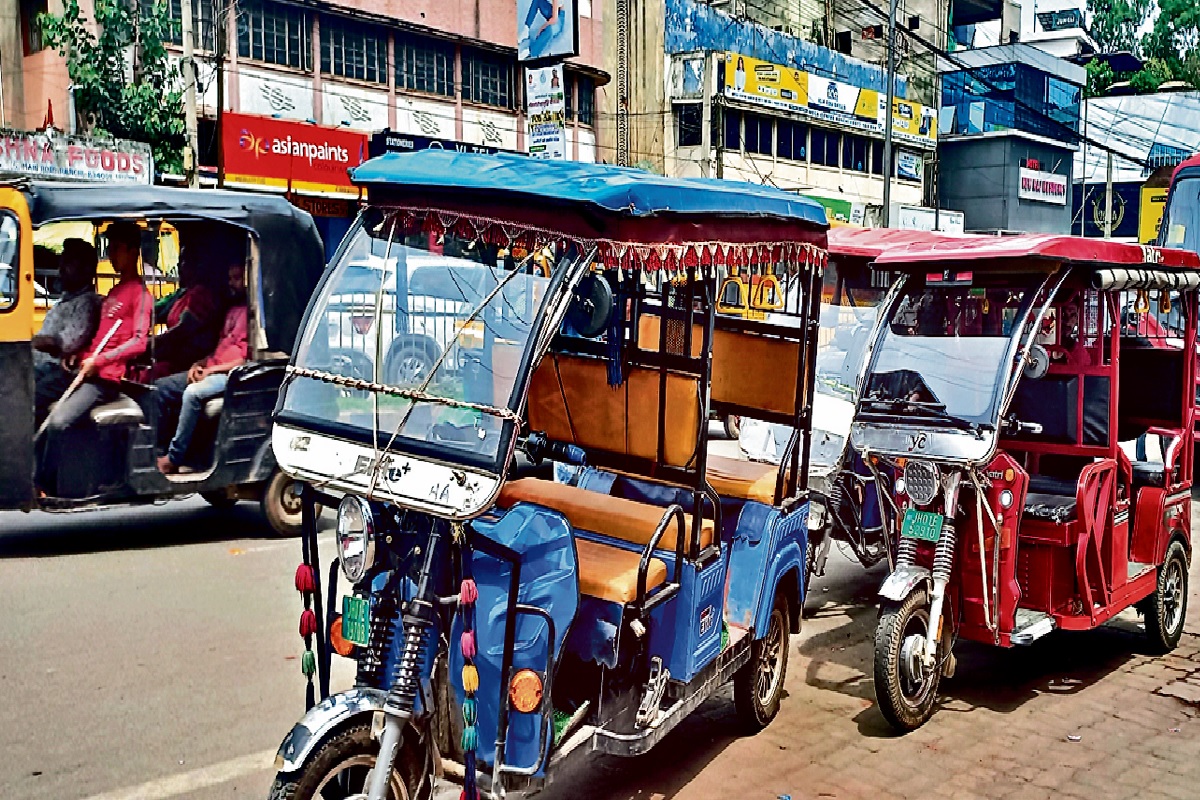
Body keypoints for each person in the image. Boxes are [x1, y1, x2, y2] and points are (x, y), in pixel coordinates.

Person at [35, 221, 153, 494]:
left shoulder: (141, 295)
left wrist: (96, 362)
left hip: (104, 381)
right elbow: (98, 340)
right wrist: (78, 356)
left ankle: (44, 483)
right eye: (110, 249)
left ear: (133, 251)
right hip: (84, 371)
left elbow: (138, 342)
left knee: (58, 422)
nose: (112, 256)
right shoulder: (113, 293)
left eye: (117, 249)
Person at [155, 261, 248, 474]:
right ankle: (158, 449)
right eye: (230, 279)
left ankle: (174, 457)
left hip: (231, 375)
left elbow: (243, 361)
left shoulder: (253, 315)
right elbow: (219, 348)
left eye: (238, 278)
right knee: (160, 388)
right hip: (212, 368)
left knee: (192, 394)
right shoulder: (231, 310)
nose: (232, 284)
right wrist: (199, 364)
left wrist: (210, 372)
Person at [32, 239, 102, 425]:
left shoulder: (86, 303)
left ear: (86, 270)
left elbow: (66, 343)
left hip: (58, 369)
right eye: (62, 263)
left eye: (68, 263)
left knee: (25, 395)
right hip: (39, 366)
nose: (61, 269)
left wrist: (28, 341)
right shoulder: (66, 299)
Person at [148, 243, 222, 380]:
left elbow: (181, 331)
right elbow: (156, 310)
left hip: (187, 359)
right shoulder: (181, 293)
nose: (180, 267)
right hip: (172, 354)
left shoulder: (202, 295)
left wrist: (150, 345)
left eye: (185, 262)